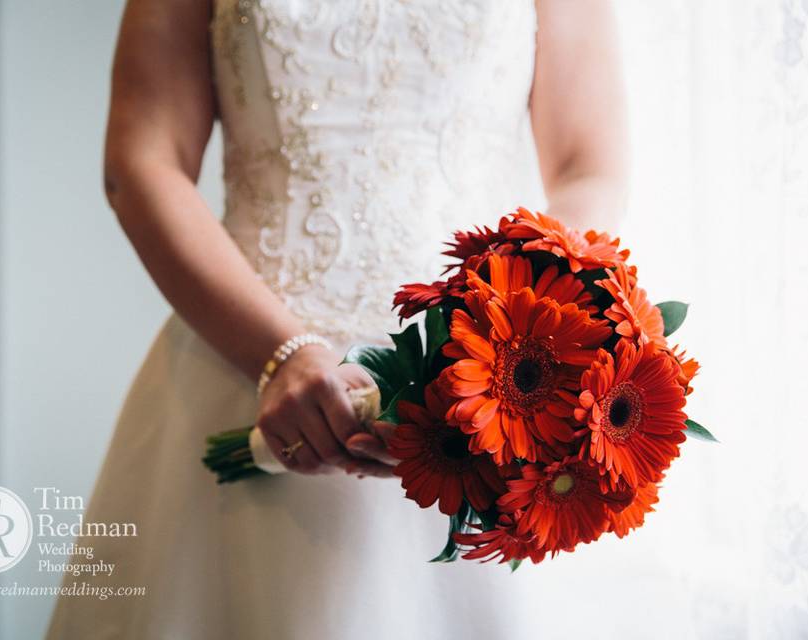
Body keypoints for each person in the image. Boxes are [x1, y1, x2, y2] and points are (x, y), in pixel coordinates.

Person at [46, 0, 627, 637]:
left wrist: (507, 338)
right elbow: (143, 163)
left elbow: (586, 169)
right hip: (243, 361)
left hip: (483, 389)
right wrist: (280, 354)